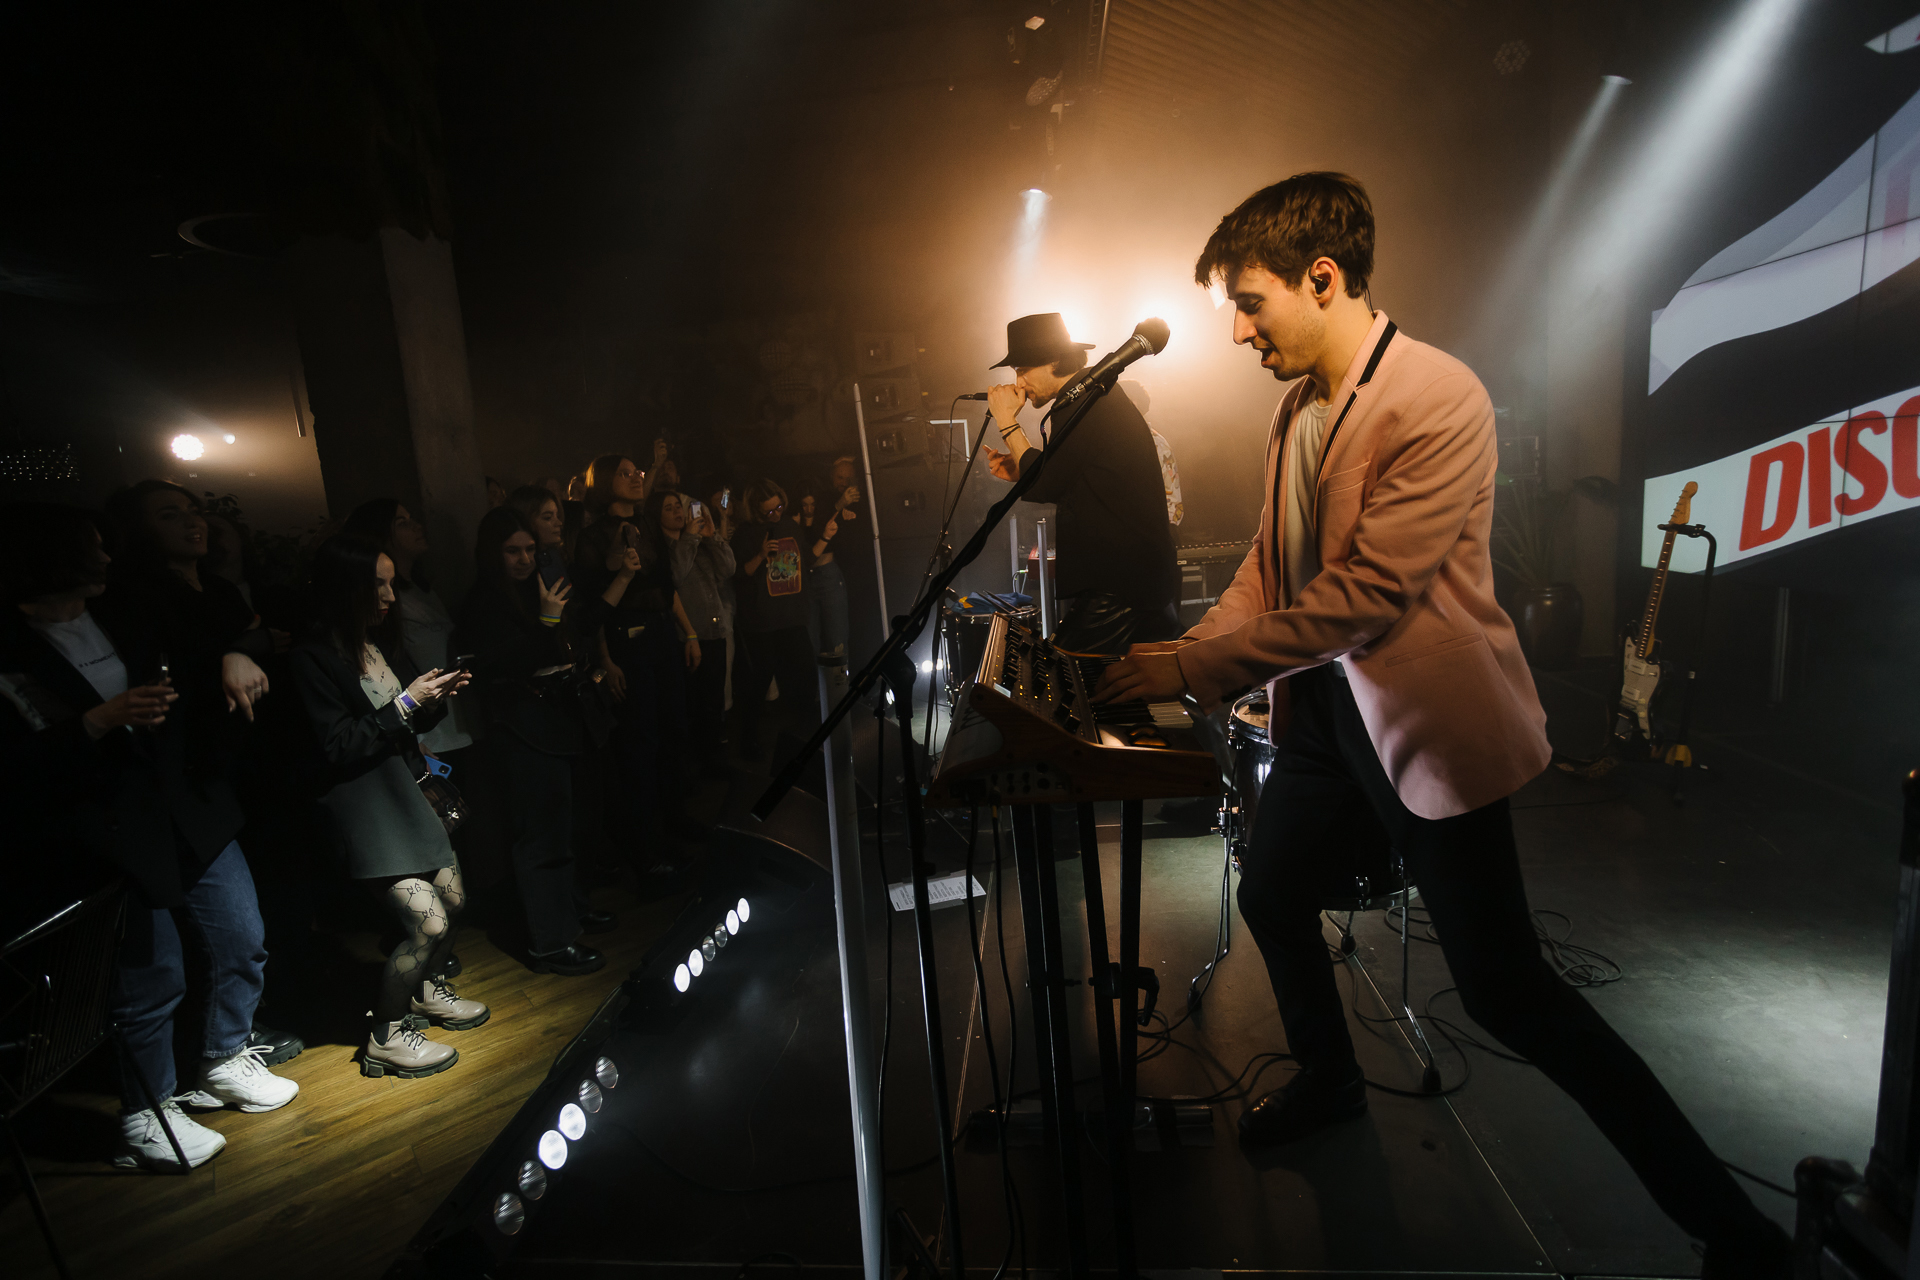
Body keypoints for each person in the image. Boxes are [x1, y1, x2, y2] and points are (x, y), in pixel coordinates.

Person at [1094, 171, 1789, 1278]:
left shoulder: (1437, 394)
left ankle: (1738, 1231)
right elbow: (1270, 569)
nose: (1236, 330)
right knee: (1271, 891)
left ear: (1323, 278)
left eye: (1251, 302)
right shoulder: (1296, 409)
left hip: (1422, 723)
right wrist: (1193, 653)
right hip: (1322, 713)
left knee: (1514, 997)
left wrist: (1188, 667)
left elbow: (1367, 597)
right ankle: (1331, 1078)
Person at [1, 504, 296, 1170]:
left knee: (241, 935)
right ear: (51, 559)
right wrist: (99, 721)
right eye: (91, 548)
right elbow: (17, 768)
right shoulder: (12, 644)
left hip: (185, 804)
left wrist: (229, 656)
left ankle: (224, 1058)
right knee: (149, 976)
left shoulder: (125, 609)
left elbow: (218, 642)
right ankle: (147, 1114)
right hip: (107, 827)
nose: (106, 558)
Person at [101, 480, 303, 1065]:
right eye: (170, 515)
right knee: (203, 937)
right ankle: (216, 1052)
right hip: (183, 781)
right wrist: (238, 648)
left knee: (255, 918)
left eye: (194, 511)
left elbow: (267, 642)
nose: (193, 522)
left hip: (243, 767)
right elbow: (174, 679)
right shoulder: (134, 598)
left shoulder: (216, 588)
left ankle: (236, 1037)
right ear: (139, 531)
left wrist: (245, 645)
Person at [289, 537, 483, 1079]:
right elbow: (337, 745)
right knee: (427, 923)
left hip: (406, 791)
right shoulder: (310, 657)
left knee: (455, 900)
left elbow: (399, 723)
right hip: (365, 806)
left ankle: (427, 991)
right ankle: (387, 1036)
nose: (390, 596)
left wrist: (430, 701)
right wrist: (406, 703)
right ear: (344, 587)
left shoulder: (376, 644)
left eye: (392, 582)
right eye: (378, 583)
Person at [454, 507, 613, 975]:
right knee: (542, 835)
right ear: (493, 553)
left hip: (558, 721)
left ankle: (571, 913)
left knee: (569, 826)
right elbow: (499, 665)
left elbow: (574, 631)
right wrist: (546, 623)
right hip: (523, 728)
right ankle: (551, 941)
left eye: (529, 549)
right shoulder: (483, 601)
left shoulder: (534, 587)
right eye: (512, 551)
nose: (524, 559)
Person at [982, 313, 1179, 654]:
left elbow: (1046, 484)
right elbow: (1066, 473)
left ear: (1053, 362)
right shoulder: (1087, 397)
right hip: (1133, 579)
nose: (1019, 382)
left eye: (1023, 370)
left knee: (1063, 673)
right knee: (1138, 677)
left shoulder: (1084, 401)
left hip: (1120, 584)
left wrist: (1006, 422)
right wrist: (1021, 469)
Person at [574, 455, 703, 880]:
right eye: (625, 473)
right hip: (626, 640)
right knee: (640, 742)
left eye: (637, 473)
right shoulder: (592, 537)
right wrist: (605, 659)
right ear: (604, 482)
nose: (635, 478)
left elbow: (667, 587)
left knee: (675, 731)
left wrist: (688, 632)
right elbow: (593, 606)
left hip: (662, 632)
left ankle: (674, 823)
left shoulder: (647, 523)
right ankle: (647, 849)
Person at [340, 498, 477, 764]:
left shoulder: (421, 588)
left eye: (390, 584)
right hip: (420, 739)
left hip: (447, 725)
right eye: (401, 522)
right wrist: (414, 727)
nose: (417, 526)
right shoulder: (374, 615)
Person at [729, 478, 822, 759]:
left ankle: (808, 737)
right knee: (760, 680)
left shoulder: (789, 525)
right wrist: (760, 555)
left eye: (779, 507)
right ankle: (749, 740)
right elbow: (739, 574)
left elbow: (806, 559)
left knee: (805, 674)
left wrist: (826, 537)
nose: (776, 514)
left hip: (792, 615)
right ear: (756, 510)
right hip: (762, 620)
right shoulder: (745, 533)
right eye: (769, 511)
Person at [664, 491, 736, 773]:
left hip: (715, 629)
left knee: (713, 701)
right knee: (692, 704)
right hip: (688, 636)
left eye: (679, 508)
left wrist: (712, 536)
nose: (678, 513)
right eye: (669, 509)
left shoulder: (700, 542)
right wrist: (690, 538)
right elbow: (675, 577)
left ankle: (713, 759)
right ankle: (693, 766)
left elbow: (729, 569)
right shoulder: (669, 548)